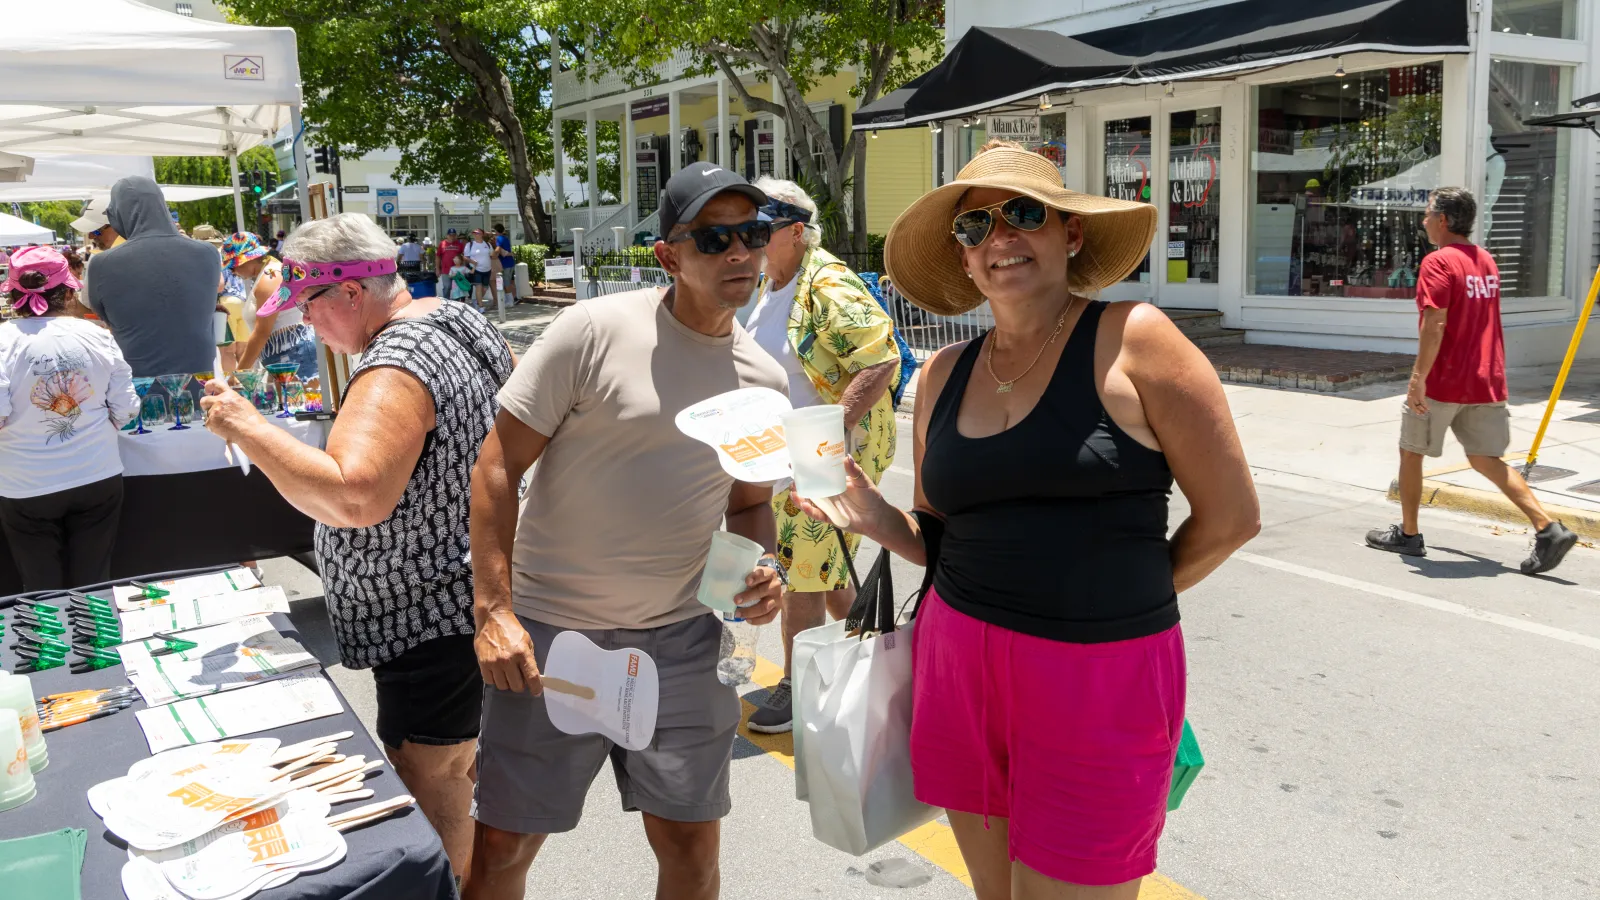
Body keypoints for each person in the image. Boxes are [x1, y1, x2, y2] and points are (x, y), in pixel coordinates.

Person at [788, 143, 1260, 900]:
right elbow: (940, 542)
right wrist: (871, 516)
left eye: (1024, 214)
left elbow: (1233, 518)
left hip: (1100, 679)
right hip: (957, 670)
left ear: (1070, 233)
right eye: (975, 226)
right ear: (964, 258)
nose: (1000, 238)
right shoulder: (941, 375)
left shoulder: (1137, 339)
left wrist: (1116, 598)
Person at [463, 162, 787, 900]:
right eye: (715, 238)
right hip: (550, 639)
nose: (740, 252)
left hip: (680, 644)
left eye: (755, 234)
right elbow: (494, 468)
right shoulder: (592, 331)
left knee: (692, 851)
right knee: (506, 848)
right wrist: (494, 613)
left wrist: (757, 570)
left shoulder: (762, 380)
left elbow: (746, 505)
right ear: (669, 255)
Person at [199, 212, 514, 880]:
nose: (305, 324)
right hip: (468, 597)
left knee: (434, 776)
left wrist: (246, 426)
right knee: (464, 763)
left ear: (348, 293)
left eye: (308, 305)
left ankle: (453, 889)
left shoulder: (395, 362)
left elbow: (353, 496)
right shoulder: (453, 318)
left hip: (429, 619)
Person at [741, 177, 902, 735]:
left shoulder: (826, 283)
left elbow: (881, 357)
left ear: (793, 231)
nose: (746, 239)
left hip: (826, 450)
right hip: (787, 451)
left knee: (803, 569)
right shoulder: (771, 282)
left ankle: (797, 686)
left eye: (757, 229)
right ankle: (881, 660)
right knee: (827, 566)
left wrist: (828, 434)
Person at [1366, 187, 1576, 574]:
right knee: (1486, 458)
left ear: (1443, 220)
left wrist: (1418, 379)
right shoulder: (1486, 260)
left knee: (1411, 452)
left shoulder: (1438, 262)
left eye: (1428, 214)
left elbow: (1435, 323)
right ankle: (1549, 529)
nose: (1424, 220)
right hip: (1486, 378)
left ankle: (1409, 535)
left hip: (1444, 382)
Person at [0, 246, 140, 591]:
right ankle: (99, 642)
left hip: (26, 484)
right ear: (68, 291)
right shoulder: (96, 334)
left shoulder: (4, 341)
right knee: (94, 577)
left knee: (40, 583)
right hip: (96, 474)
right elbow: (126, 407)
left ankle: (53, 642)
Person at [84, 176, 219, 378]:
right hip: (201, 382)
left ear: (117, 213)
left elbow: (105, 316)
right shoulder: (208, 253)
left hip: (137, 385)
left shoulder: (102, 264)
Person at [223, 232, 319, 375]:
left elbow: (262, 332)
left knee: (299, 398)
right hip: (288, 355)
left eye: (232, 266)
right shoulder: (269, 272)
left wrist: (241, 373)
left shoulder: (269, 277)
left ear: (247, 260)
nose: (233, 272)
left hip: (293, 356)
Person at [464, 228, 494, 310]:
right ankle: (481, 306)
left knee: (484, 288)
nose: (476, 234)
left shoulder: (488, 245)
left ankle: (477, 301)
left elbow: (492, 255)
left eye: (478, 233)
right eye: (474, 233)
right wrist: (472, 261)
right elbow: (465, 257)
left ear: (482, 234)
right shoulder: (470, 244)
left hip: (487, 269)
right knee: (478, 287)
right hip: (476, 269)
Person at [492, 223, 517, 306]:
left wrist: (493, 255)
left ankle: (510, 301)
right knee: (507, 281)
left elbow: (498, 249)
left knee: (505, 282)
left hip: (504, 263)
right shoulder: (506, 238)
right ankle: (509, 300)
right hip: (511, 262)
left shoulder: (498, 238)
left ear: (496, 231)